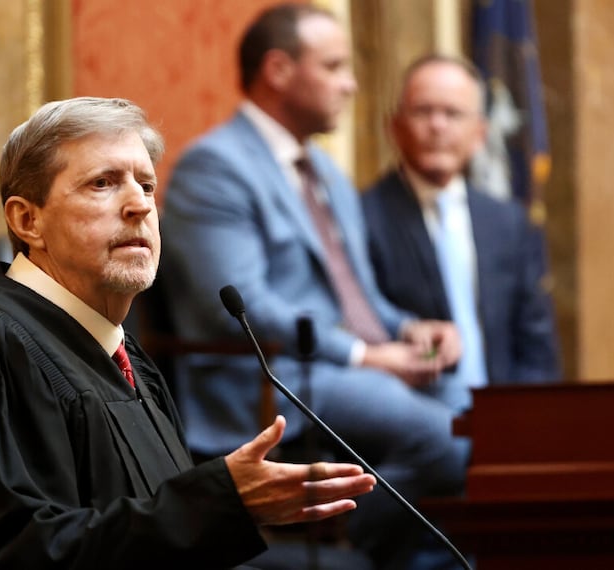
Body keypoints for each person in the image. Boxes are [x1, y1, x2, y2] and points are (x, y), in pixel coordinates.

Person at [0, 96, 378, 569]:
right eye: (103, 183)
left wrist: (221, 509)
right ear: (27, 220)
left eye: (146, 185)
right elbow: (6, 556)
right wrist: (215, 503)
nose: (139, 206)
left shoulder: (123, 355)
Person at [159, 4, 469, 568]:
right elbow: (240, 308)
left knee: (481, 421)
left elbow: (361, 297)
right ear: (278, 70)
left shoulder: (325, 171)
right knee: (447, 436)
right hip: (277, 378)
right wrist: (365, 356)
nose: (351, 84)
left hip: (342, 366)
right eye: (334, 66)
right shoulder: (215, 166)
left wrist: (411, 329)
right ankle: (348, 537)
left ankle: (371, 544)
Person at [362, 54, 562, 415]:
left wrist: (533, 421)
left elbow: (535, 343)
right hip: (411, 424)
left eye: (453, 114)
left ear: (479, 134)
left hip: (507, 425)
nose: (437, 125)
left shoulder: (508, 220)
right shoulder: (364, 217)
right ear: (394, 126)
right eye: (423, 111)